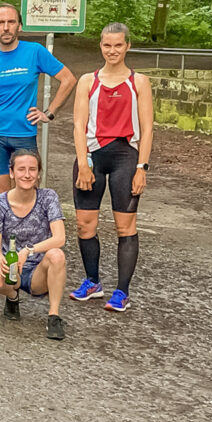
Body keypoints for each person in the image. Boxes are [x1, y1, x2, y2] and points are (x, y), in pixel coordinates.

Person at [69, 22, 154, 312]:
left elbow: (147, 127)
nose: (113, 50)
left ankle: (122, 291)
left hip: (125, 157)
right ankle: (92, 281)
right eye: (107, 45)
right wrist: (83, 162)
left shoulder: (138, 82)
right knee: (84, 224)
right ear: (100, 47)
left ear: (127, 46)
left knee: (124, 226)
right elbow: (79, 124)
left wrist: (142, 167)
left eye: (118, 45)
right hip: (92, 156)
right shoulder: (87, 81)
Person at [0, 3, 76, 196]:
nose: (6, 27)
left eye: (11, 22)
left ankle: (28, 227)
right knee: (0, 193)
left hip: (24, 134)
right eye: (0, 22)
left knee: (28, 190)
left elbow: (68, 79)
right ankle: (4, 228)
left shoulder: (35, 51)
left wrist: (49, 113)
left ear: (19, 26)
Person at [0, 150, 68, 340]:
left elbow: (60, 238)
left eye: (32, 169)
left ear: (39, 173)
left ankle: (54, 316)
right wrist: (3, 262)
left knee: (57, 255)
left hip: (39, 269)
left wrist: (28, 251)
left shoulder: (48, 197)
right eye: (21, 169)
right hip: (12, 269)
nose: (27, 175)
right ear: (12, 173)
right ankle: (12, 297)